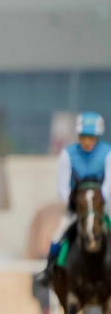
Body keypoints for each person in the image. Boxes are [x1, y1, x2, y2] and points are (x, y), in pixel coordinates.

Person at [35, 112, 111, 286]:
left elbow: (109, 184)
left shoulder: (108, 153)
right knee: (58, 234)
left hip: (101, 205)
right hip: (77, 206)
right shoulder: (67, 154)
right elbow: (62, 186)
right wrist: (75, 204)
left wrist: (97, 204)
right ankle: (49, 270)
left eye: (90, 137)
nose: (86, 141)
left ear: (97, 136)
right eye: (83, 136)